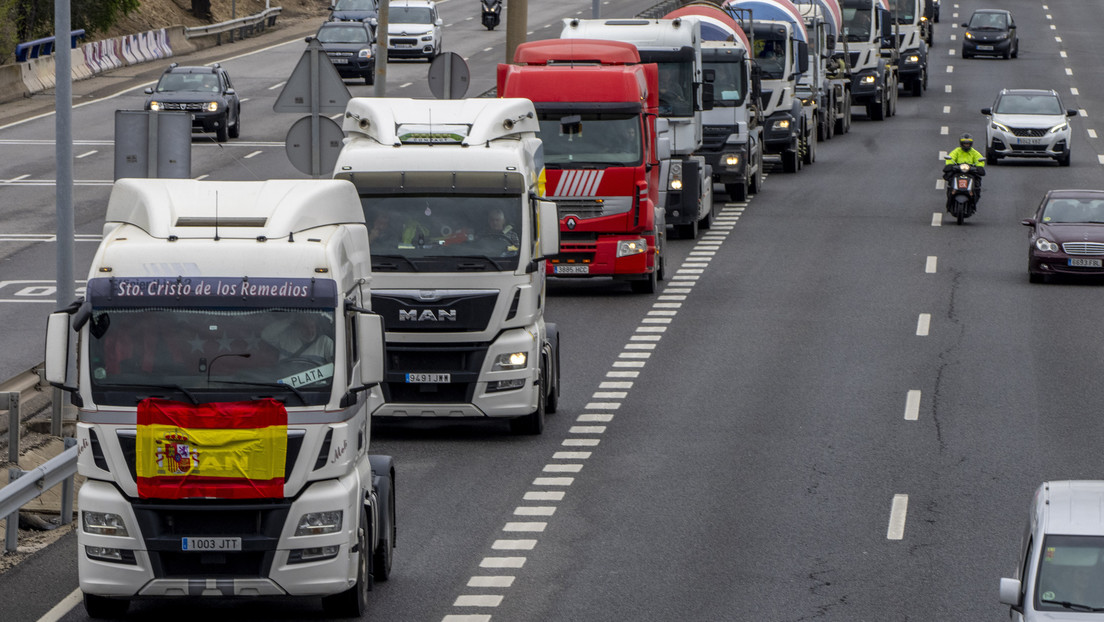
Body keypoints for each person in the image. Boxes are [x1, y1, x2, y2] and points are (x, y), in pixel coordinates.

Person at [261, 313, 334, 363]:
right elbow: (265, 335)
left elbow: (337, 365)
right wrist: (289, 321)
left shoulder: (325, 342)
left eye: (312, 327)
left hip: (318, 386)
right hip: (284, 383)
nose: (309, 331)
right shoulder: (287, 337)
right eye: (305, 327)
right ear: (298, 327)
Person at [943, 133, 986, 204]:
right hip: (958, 170)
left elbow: (979, 160)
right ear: (961, 143)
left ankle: (974, 195)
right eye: (965, 144)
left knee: (978, 180)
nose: (966, 145)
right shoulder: (957, 151)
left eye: (968, 144)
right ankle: (952, 192)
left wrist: (979, 167)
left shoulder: (974, 152)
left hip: (970, 171)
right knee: (949, 175)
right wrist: (950, 165)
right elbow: (950, 158)